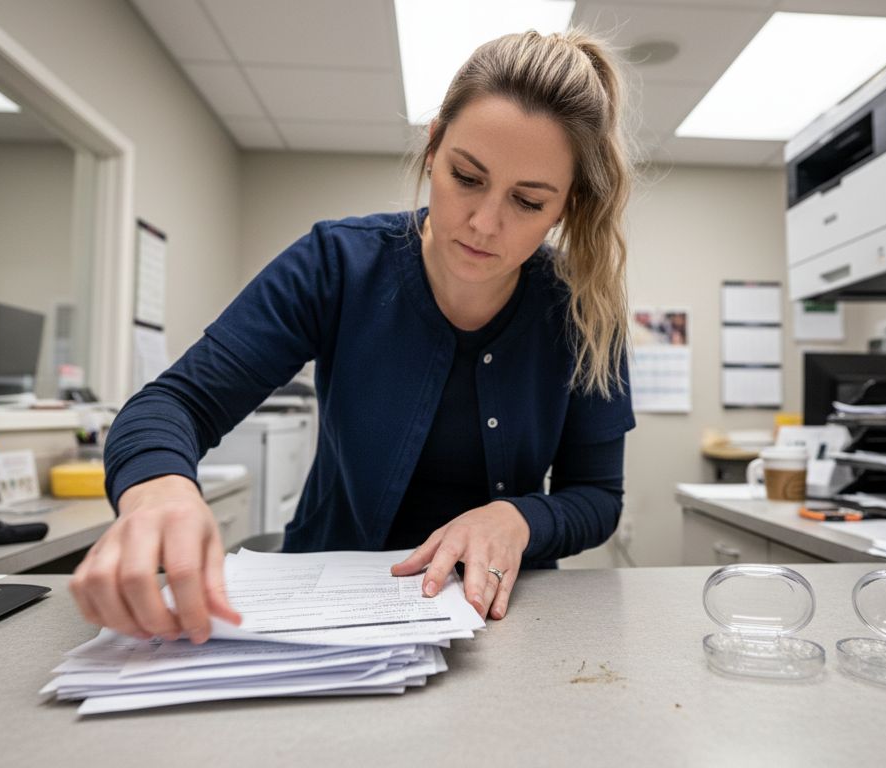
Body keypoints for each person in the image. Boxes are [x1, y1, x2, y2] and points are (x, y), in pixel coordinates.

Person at [70, 29, 637, 645]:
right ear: (432, 148)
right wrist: (158, 492)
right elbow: (172, 404)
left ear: (567, 207)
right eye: (466, 177)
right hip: (322, 614)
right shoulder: (336, 264)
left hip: (501, 622)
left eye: (528, 201)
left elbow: (598, 496)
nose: (483, 223)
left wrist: (520, 518)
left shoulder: (585, 310)